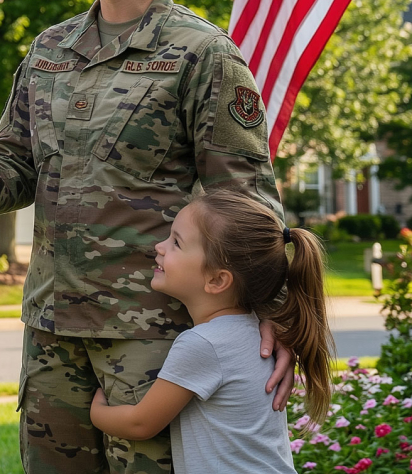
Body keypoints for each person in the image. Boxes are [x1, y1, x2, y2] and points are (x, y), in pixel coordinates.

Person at [0, 0, 294, 473]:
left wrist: (272, 313)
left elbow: (247, 200)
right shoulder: (49, 49)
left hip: (152, 337)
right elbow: (16, 165)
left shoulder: (202, 54)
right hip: (50, 325)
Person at [90, 190, 332, 474]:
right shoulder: (251, 330)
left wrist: (97, 411)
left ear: (217, 280)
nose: (159, 246)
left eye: (176, 243)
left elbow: (140, 423)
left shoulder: (203, 344)